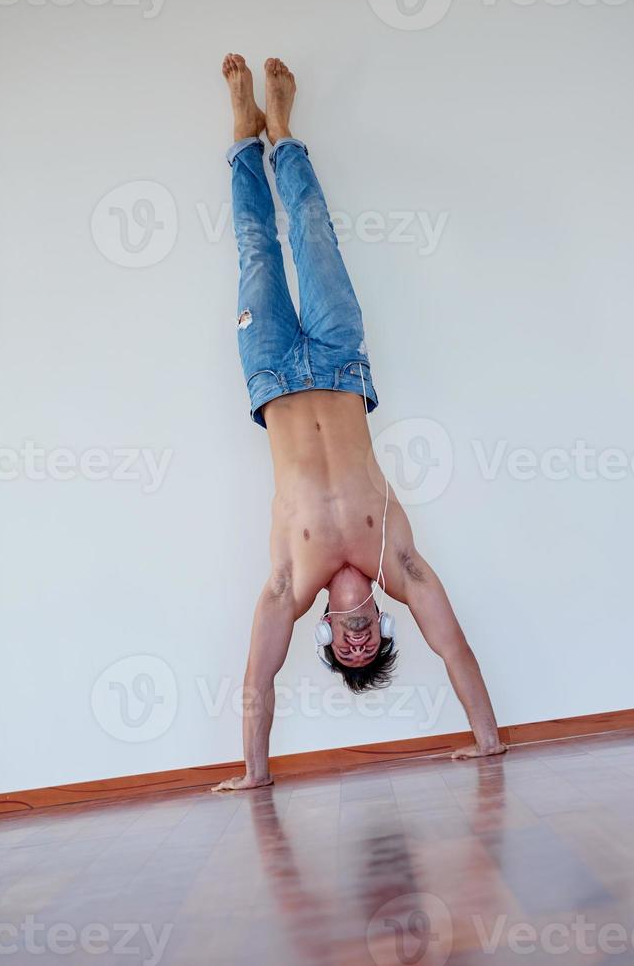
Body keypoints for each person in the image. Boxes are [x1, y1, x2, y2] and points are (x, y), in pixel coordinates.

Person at [212, 54, 506, 792]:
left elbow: (258, 676)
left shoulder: (289, 582)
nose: (356, 633)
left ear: (327, 631)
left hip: (272, 374)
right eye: (366, 637)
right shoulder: (398, 564)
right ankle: (287, 134)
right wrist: (489, 743)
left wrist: (255, 774)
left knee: (255, 249)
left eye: (346, 643)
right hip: (344, 366)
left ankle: (245, 137)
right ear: (377, 620)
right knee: (313, 236)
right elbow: (457, 648)